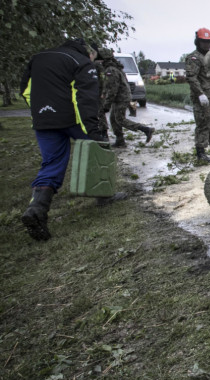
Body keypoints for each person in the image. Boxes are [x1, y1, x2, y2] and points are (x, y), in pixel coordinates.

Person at [19, 38, 108, 241]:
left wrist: (42, 113)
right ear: (90, 52)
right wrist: (92, 130)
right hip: (73, 119)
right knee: (100, 150)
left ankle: (36, 209)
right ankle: (104, 195)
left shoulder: (38, 58)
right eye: (95, 56)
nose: (95, 59)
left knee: (51, 163)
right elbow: (85, 99)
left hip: (44, 120)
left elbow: (26, 91)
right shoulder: (82, 62)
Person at [101, 48, 155, 148]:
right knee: (113, 119)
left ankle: (145, 129)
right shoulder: (115, 68)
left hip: (121, 98)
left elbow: (112, 89)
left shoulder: (111, 70)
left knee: (120, 119)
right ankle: (120, 140)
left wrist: (106, 105)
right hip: (121, 97)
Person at [185, 28, 210, 162]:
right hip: (202, 98)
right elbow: (191, 77)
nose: (206, 45)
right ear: (198, 42)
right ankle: (200, 151)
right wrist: (200, 94)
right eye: (203, 42)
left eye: (208, 42)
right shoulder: (194, 58)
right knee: (204, 124)